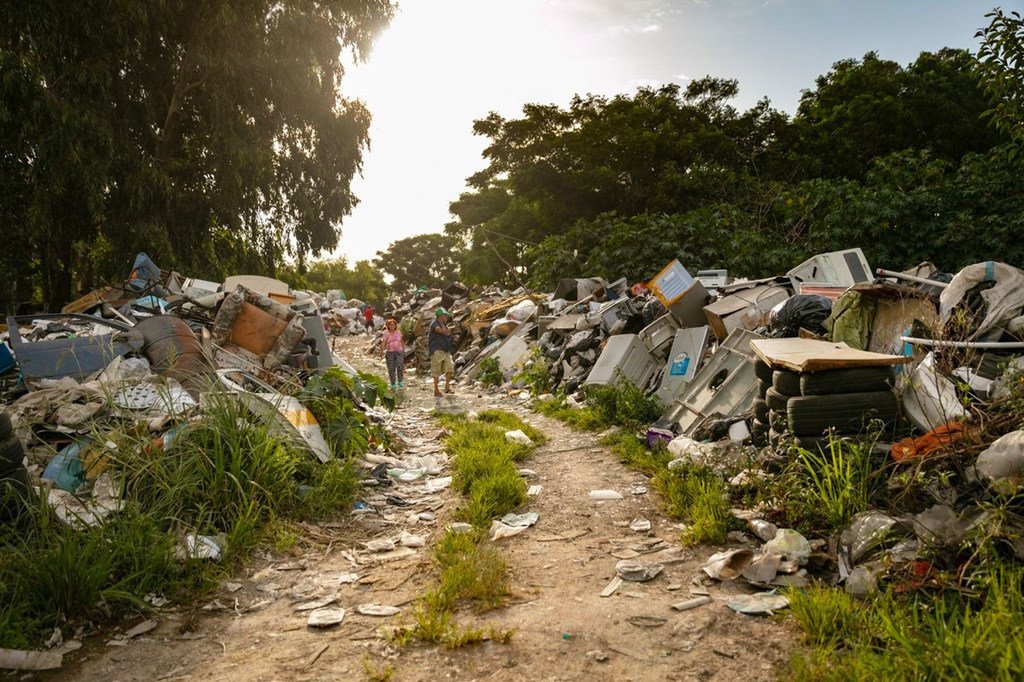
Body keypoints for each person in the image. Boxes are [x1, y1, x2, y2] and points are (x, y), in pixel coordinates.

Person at [428, 308, 455, 397]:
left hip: (445, 350)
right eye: (444, 315)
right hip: (437, 350)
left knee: (450, 368)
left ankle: (447, 387)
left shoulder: (444, 325)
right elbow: (437, 330)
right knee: (436, 371)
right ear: (440, 316)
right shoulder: (435, 323)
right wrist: (445, 331)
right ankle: (436, 390)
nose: (446, 317)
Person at [381, 318, 405, 390]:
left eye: (393, 325)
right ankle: (393, 384)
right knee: (391, 368)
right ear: (388, 326)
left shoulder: (398, 332)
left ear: (395, 325)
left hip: (399, 351)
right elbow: (384, 342)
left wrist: (403, 349)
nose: (392, 326)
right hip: (390, 352)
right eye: (390, 325)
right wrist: (382, 351)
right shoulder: (385, 333)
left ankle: (400, 381)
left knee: (400, 366)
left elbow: (401, 341)